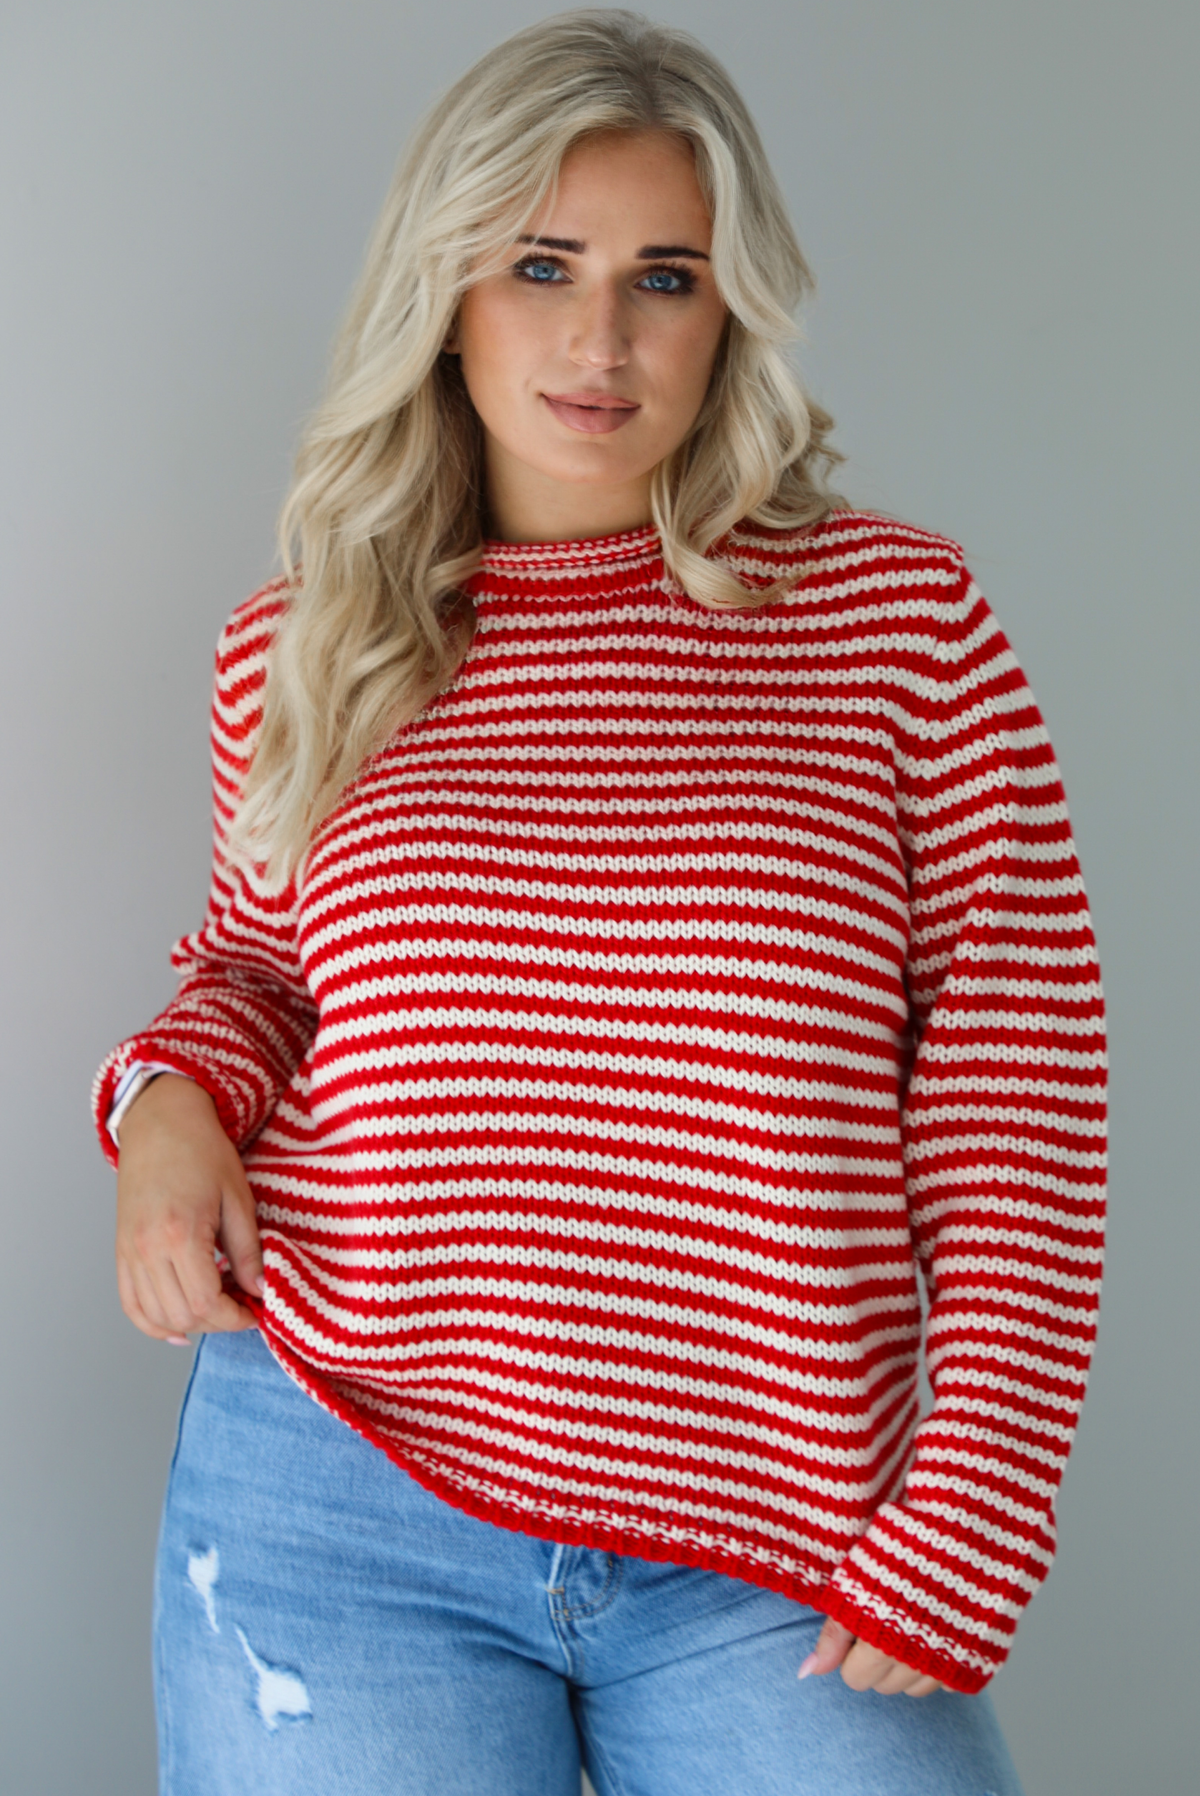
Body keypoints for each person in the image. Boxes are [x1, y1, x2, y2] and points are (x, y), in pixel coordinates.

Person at [93, 12, 1106, 1794]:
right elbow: (259, 964)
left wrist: (976, 1496)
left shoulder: (897, 629)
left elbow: (1016, 1087)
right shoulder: (307, 647)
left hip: (775, 1516)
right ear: (447, 289)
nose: (598, 337)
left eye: (666, 278)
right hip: (344, 1481)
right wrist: (169, 1104)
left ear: (733, 315)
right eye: (541, 264)